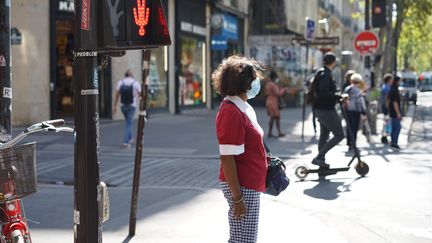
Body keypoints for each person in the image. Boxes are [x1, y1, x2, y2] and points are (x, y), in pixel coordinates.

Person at [213, 55, 267, 243]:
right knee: (242, 240)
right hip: (242, 186)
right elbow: (227, 157)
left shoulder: (242, 107)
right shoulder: (231, 111)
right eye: (253, 77)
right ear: (244, 81)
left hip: (248, 183)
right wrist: (237, 199)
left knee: (244, 238)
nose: (256, 81)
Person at [311, 52, 344, 168]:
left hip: (321, 109)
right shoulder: (325, 74)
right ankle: (319, 157)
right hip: (326, 109)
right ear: (333, 62)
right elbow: (323, 92)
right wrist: (337, 96)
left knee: (324, 135)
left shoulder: (321, 72)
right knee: (340, 134)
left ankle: (321, 161)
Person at [113, 69, 141, 148]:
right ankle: (125, 142)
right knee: (129, 123)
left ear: (125, 75)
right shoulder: (136, 83)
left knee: (128, 122)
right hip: (132, 106)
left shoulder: (120, 82)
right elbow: (141, 96)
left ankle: (130, 138)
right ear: (132, 75)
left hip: (123, 106)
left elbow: (117, 95)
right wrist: (142, 107)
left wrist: (114, 106)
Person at [344, 73, 367, 151]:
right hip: (355, 111)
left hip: (347, 110)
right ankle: (353, 143)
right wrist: (363, 112)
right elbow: (361, 102)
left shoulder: (347, 89)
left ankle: (349, 141)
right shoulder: (359, 90)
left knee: (349, 127)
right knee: (354, 127)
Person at [265, 70, 287, 137]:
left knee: (275, 117)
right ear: (275, 77)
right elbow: (278, 93)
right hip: (273, 102)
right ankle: (273, 132)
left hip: (269, 100)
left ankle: (273, 132)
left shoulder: (268, 84)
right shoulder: (273, 85)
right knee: (275, 117)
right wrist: (284, 90)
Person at [388, 76, 402, 150]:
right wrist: (398, 113)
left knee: (394, 127)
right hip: (394, 112)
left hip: (392, 111)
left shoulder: (392, 89)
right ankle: (394, 142)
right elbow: (395, 102)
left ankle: (393, 142)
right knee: (397, 127)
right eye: (399, 81)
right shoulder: (394, 90)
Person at [380, 73, 394, 144]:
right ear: (388, 80)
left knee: (386, 122)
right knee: (387, 123)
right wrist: (388, 109)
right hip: (387, 108)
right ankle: (384, 137)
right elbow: (387, 99)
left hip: (385, 108)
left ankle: (384, 136)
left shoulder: (385, 87)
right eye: (391, 79)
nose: (392, 81)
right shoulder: (387, 88)